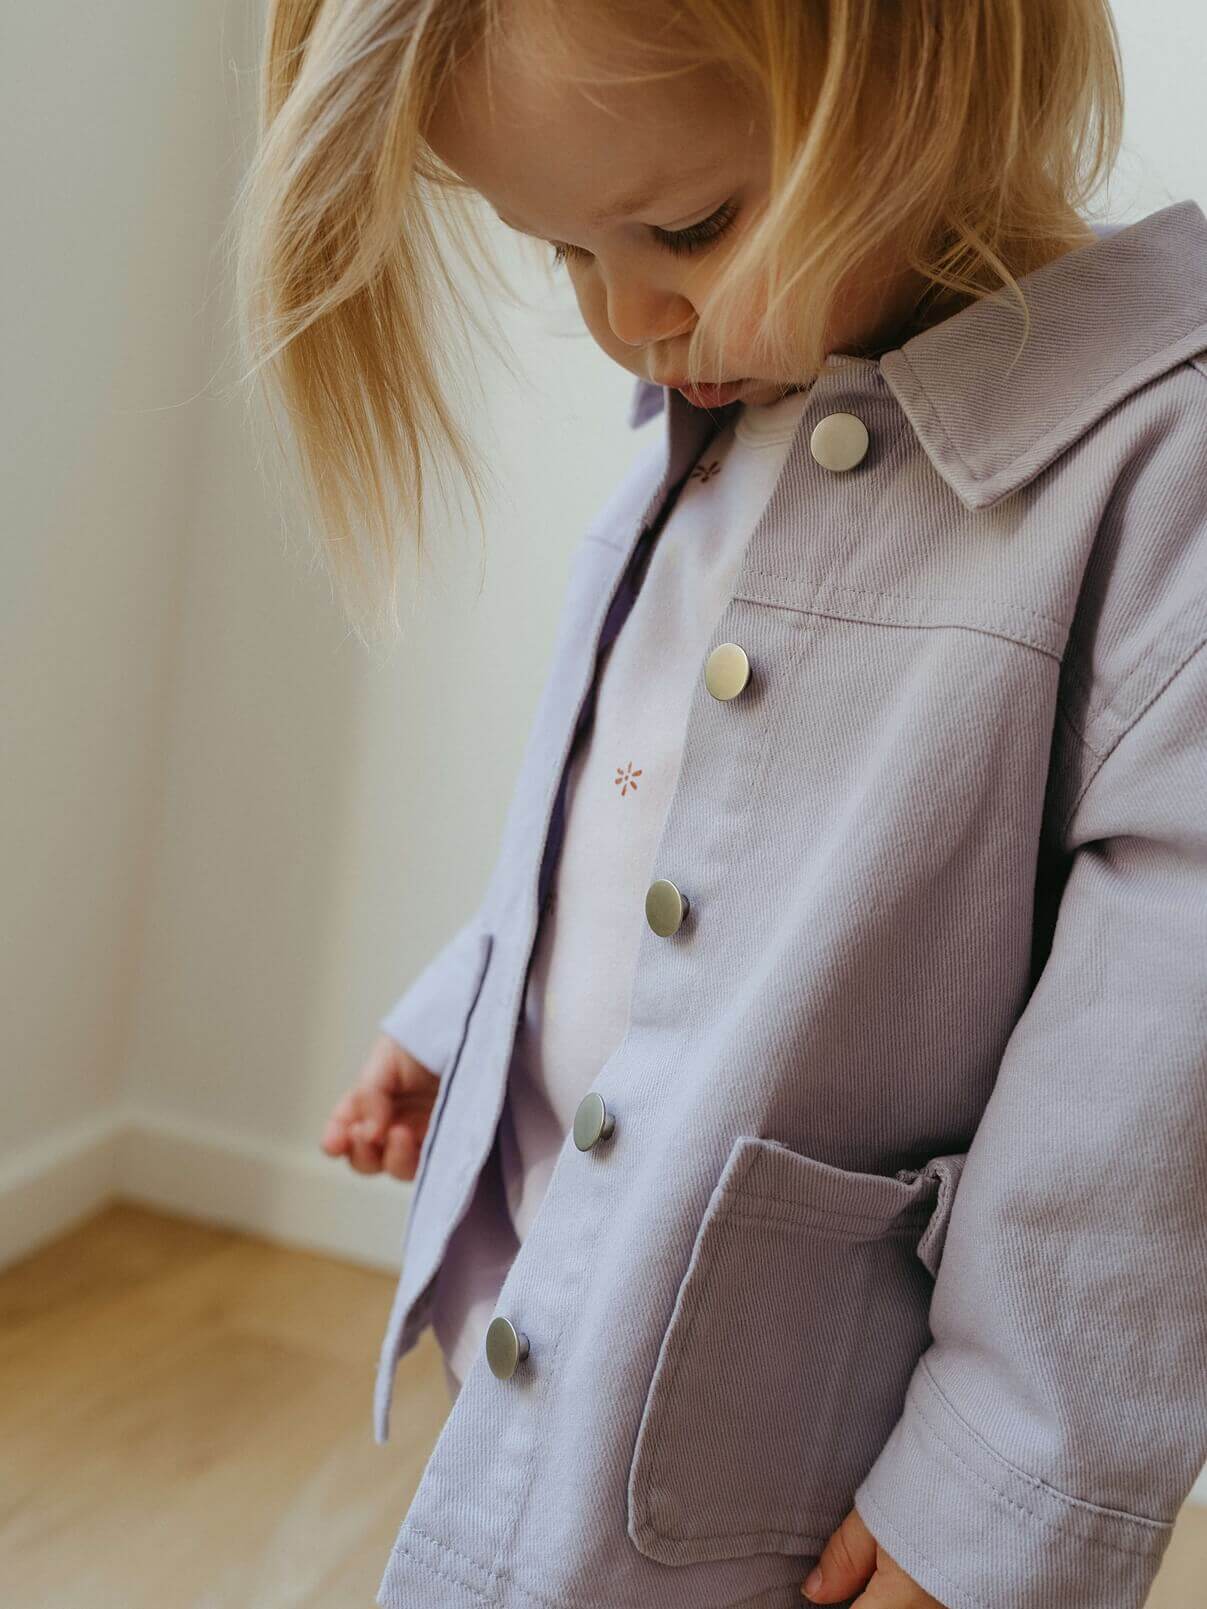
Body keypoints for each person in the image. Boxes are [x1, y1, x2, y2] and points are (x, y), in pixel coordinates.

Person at [234, 2, 1207, 1606]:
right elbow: (631, 806)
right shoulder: (720, 410)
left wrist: (998, 1483)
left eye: (687, 226)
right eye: (558, 254)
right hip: (578, 1319)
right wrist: (473, 996)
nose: (626, 318)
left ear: (938, 55)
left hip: (797, 1442)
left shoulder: (1146, 470)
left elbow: (1150, 1091)